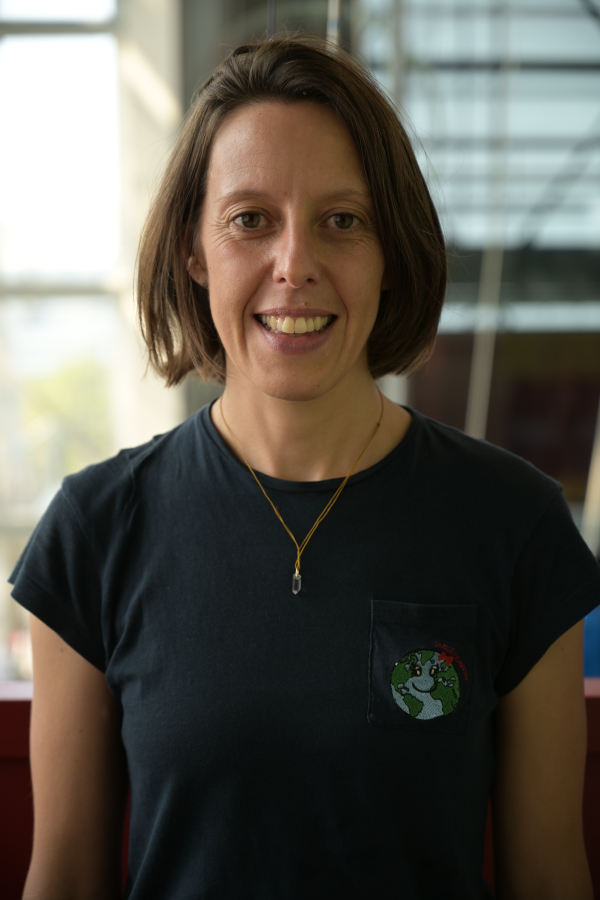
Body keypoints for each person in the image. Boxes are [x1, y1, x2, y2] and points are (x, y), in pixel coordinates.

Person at [10, 35, 599, 900]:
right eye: (250, 219)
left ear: (389, 253)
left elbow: (549, 877)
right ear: (192, 252)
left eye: (342, 220)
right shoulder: (94, 532)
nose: (296, 265)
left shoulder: (514, 525)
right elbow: (62, 878)